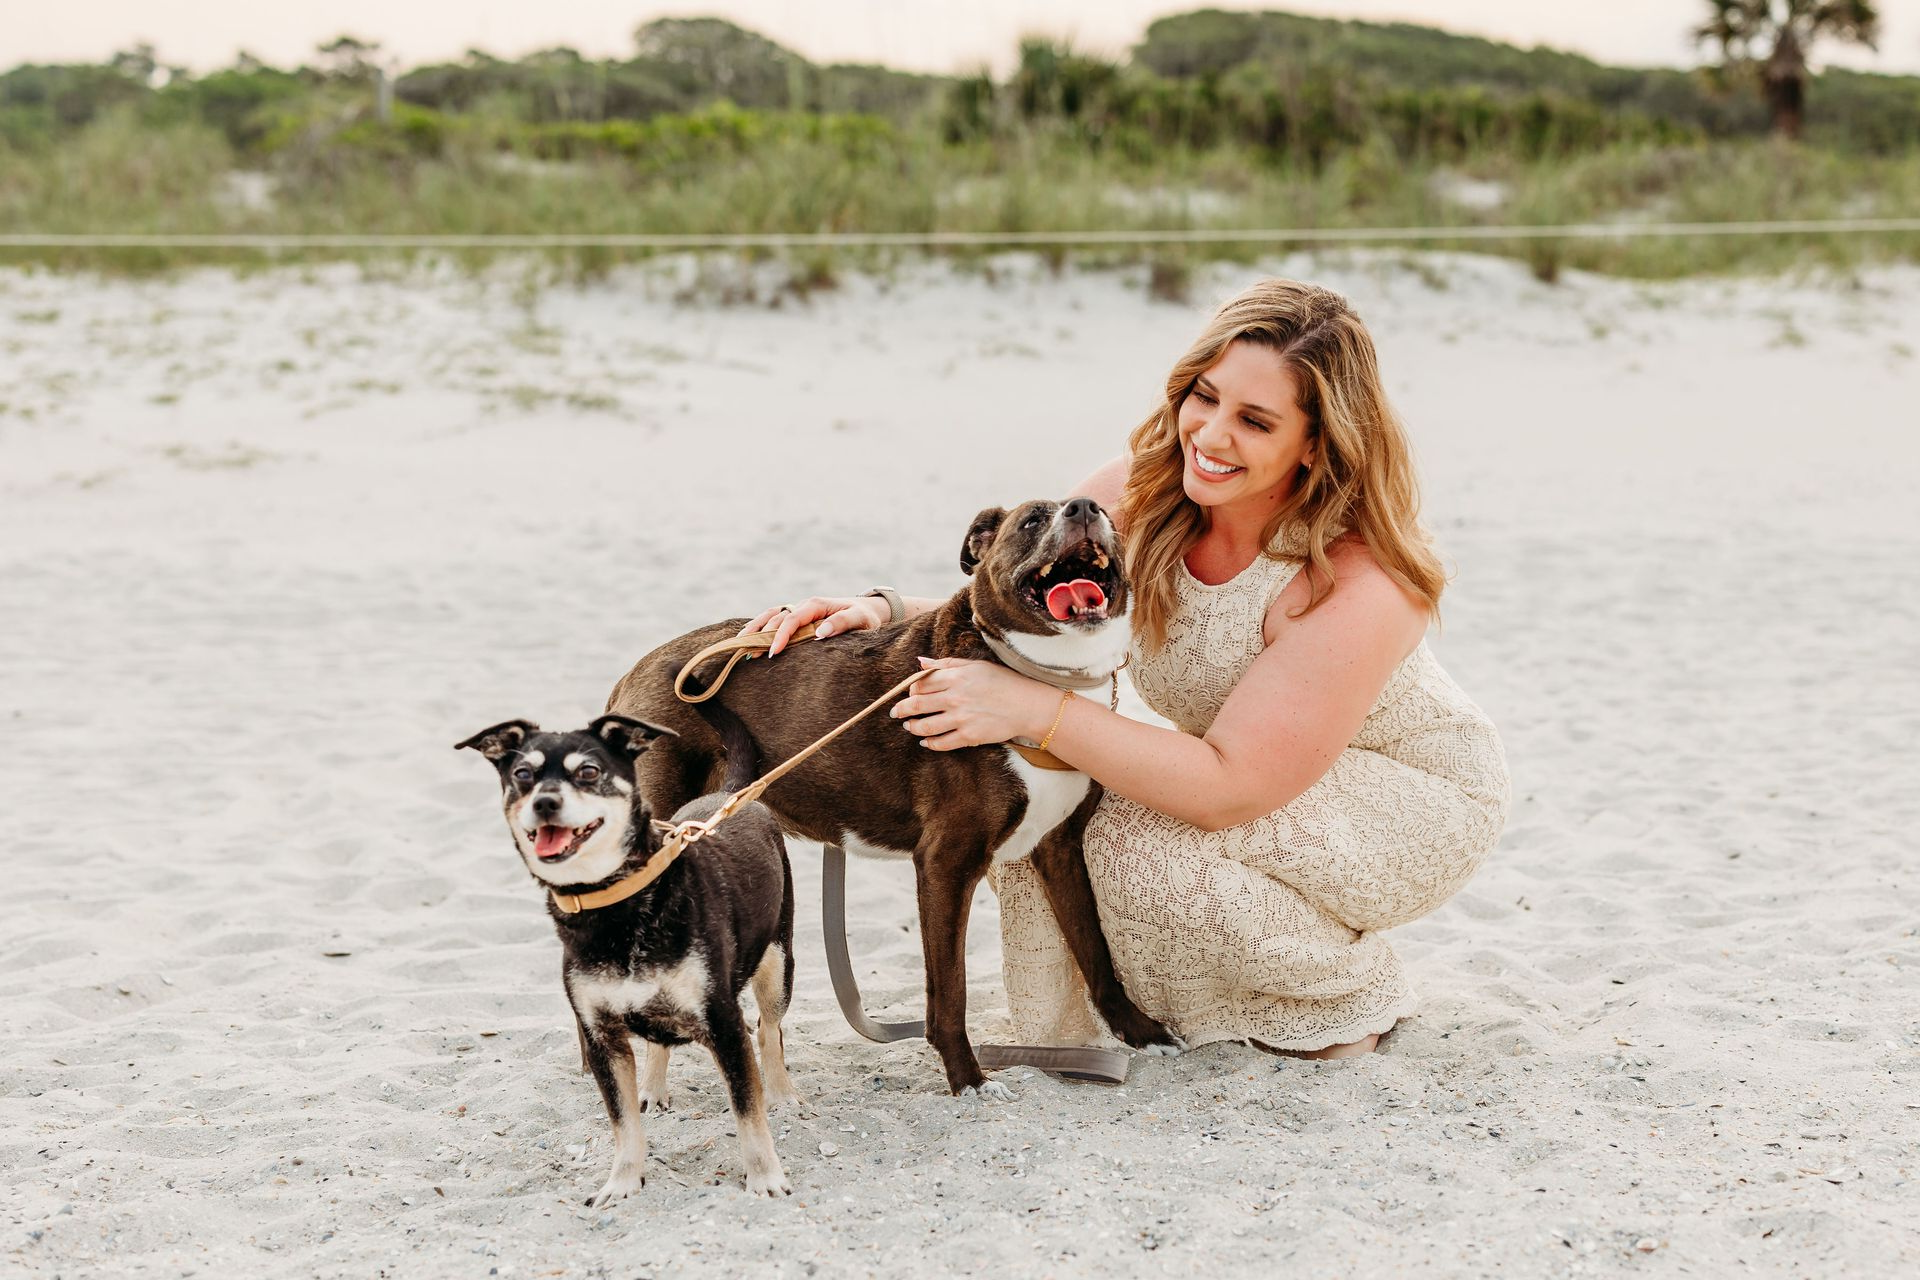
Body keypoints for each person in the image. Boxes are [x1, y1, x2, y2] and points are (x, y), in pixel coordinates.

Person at [741, 279, 1509, 1059]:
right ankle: (1194, 995)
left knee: (1140, 857)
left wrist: (1031, 712)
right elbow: (1019, 586)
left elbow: (1227, 786)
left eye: (1254, 420)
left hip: (1400, 792)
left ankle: (1341, 994)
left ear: (1315, 442)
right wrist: (882, 609)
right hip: (1245, 757)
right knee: (1041, 813)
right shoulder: (1152, 481)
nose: (1209, 434)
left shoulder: (1357, 581)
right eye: (1202, 396)